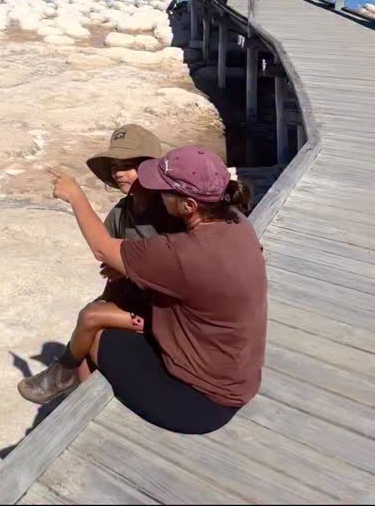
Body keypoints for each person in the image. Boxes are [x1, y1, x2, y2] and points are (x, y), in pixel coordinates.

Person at [23, 145, 267, 435]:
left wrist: (75, 195)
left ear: (189, 205)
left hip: (201, 401)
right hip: (237, 377)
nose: (158, 195)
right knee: (101, 318)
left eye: (165, 191)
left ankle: (83, 430)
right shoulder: (237, 223)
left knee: (94, 338)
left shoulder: (182, 253)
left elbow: (102, 249)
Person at [18, 123, 182, 405]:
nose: (119, 172)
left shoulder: (168, 213)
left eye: (128, 165)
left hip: (169, 312)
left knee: (91, 317)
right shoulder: (122, 212)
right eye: (116, 165)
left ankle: (62, 374)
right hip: (140, 299)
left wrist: (76, 196)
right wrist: (116, 278)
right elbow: (111, 258)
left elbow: (107, 251)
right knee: (92, 330)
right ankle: (80, 397)